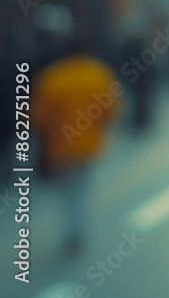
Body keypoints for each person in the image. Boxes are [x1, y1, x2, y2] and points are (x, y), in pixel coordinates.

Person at [33, 31, 121, 256]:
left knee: (66, 191)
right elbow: (110, 110)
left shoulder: (52, 77)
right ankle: (76, 229)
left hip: (59, 146)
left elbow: (38, 117)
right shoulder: (99, 74)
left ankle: (71, 229)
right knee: (81, 189)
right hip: (88, 144)